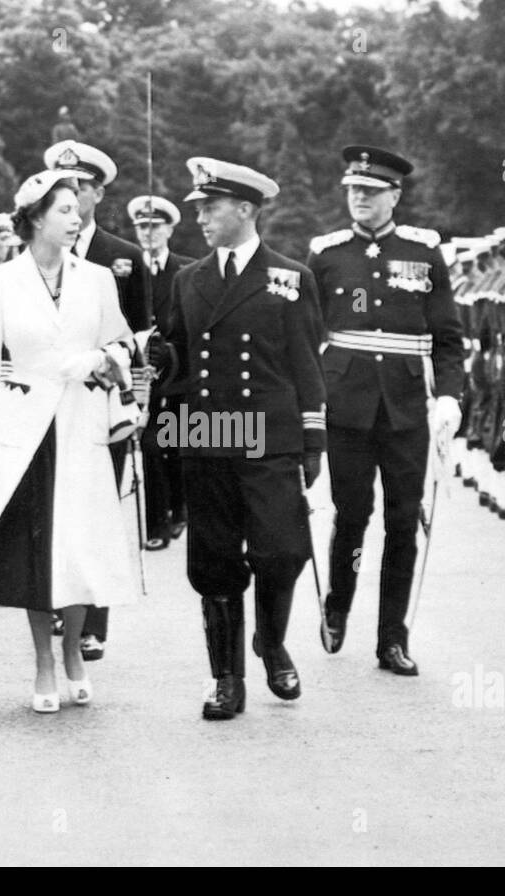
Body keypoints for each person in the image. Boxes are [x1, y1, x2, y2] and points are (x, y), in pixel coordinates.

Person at [0, 170, 139, 713]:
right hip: (23, 426)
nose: (76, 217)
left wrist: (104, 358)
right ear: (34, 219)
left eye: (77, 208)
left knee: (79, 543)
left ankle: (75, 651)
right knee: (37, 548)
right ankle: (43, 663)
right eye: (63, 210)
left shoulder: (98, 278)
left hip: (81, 421)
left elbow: (125, 344)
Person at [147, 157, 326, 719]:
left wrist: (312, 440)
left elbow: (306, 363)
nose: (199, 216)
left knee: (283, 551)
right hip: (206, 434)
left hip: (268, 436)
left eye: (210, 206)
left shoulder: (291, 278)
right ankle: (226, 678)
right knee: (215, 561)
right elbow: (176, 358)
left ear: (245, 209)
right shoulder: (187, 280)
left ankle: (270, 642)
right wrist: (160, 361)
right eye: (198, 207)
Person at [307, 145, 465, 676]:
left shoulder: (424, 253)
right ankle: (337, 605)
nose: (360, 200)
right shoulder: (326, 254)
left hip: (404, 410)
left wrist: (448, 396)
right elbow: (309, 338)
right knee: (352, 516)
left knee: (403, 522)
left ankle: (392, 637)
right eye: (354, 191)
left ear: (395, 196)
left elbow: (447, 336)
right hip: (347, 406)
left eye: (371, 193)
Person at [45, 138, 147, 661]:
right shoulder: (39, 254)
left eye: (80, 187)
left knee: (99, 509)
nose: (71, 195)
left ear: (98, 194)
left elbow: (144, 335)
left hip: (103, 397)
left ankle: (93, 622)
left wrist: (136, 398)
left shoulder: (122, 258)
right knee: (55, 503)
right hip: (50, 400)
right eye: (62, 187)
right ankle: (62, 604)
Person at [128, 194, 194, 550]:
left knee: (177, 443)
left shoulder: (187, 270)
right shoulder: (128, 270)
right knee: (151, 446)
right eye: (141, 227)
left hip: (179, 372)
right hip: (139, 373)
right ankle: (155, 525)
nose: (148, 233)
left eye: (155, 226)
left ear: (169, 229)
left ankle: (179, 507)